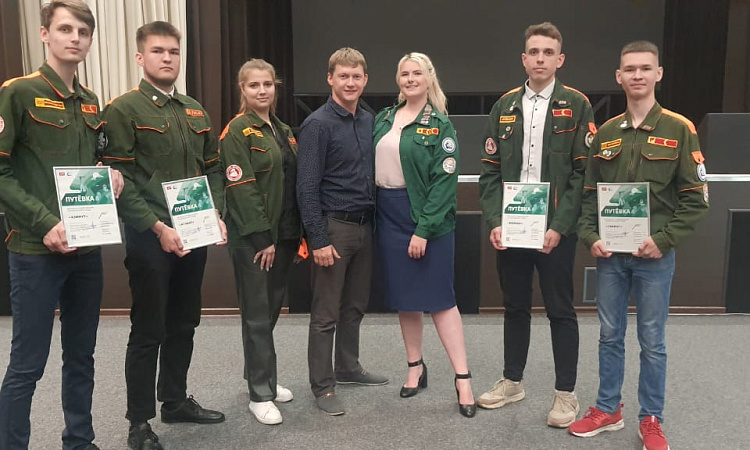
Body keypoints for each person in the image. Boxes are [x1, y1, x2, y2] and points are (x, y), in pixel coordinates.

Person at [568, 40, 709, 450]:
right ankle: (607, 408)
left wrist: (663, 240)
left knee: (653, 340)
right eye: (630, 69)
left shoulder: (680, 129)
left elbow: (696, 199)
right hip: (611, 256)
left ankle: (651, 418)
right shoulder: (606, 133)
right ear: (619, 76)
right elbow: (589, 195)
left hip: (654, 256)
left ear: (658, 74)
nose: (637, 75)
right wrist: (591, 237)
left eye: (645, 68)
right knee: (609, 335)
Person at [0, 1, 124, 448]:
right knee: (27, 364)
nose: (75, 38)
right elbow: (1, 172)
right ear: (44, 34)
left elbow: (91, 163)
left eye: (83, 32)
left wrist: (110, 175)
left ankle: (80, 440)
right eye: (65, 29)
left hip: (86, 249)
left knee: (81, 356)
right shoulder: (18, 92)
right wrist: (45, 223)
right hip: (36, 250)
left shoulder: (90, 102)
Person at [102, 21, 226, 450]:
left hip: (193, 232)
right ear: (141, 57)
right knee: (148, 329)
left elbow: (213, 167)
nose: (167, 58)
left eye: (173, 51)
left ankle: (174, 400)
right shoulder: (124, 110)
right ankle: (139, 422)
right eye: (158, 51)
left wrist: (215, 212)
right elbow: (119, 181)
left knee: (185, 321)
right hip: (149, 235)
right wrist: (158, 228)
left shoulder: (194, 109)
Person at [477, 22, 595, 427]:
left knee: (560, 309)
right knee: (514, 306)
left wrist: (559, 225)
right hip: (513, 227)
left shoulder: (577, 105)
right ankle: (512, 381)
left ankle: (565, 393)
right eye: (534, 52)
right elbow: (489, 171)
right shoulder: (504, 106)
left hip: (555, 228)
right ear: (523, 58)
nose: (540, 59)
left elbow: (582, 174)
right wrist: (495, 221)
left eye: (548, 52)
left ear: (560, 60)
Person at [373, 52, 475, 418]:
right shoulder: (384, 118)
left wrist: (424, 230)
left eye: (417, 73)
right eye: (404, 73)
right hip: (388, 216)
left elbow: (443, 184)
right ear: (397, 79)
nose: (410, 79)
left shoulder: (440, 125)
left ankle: (463, 378)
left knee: (441, 300)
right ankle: (415, 366)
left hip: (426, 219)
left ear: (429, 78)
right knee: (406, 299)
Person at [297, 47, 388, 416]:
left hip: (366, 226)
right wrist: (318, 239)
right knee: (325, 313)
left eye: (356, 76)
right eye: (343, 76)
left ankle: (348, 367)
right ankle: (323, 386)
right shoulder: (317, 124)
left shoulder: (368, 120)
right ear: (330, 78)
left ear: (365, 80)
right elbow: (306, 187)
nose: (350, 82)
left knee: (355, 306)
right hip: (333, 228)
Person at [219, 59, 300, 425]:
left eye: (267, 84)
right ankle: (260, 394)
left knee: (269, 312)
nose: (262, 90)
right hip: (254, 239)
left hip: (284, 235)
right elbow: (241, 187)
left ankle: (259, 374)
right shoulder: (237, 131)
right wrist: (261, 238)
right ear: (243, 89)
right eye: (254, 85)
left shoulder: (283, 130)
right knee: (256, 314)